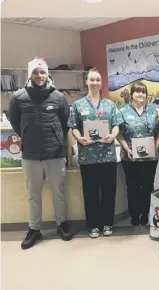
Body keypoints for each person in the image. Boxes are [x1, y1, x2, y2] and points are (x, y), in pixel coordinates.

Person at [8, 57, 72, 249]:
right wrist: (27, 136)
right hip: (31, 155)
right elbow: (15, 123)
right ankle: (34, 229)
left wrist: (56, 139)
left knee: (59, 193)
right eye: (35, 72)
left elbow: (64, 123)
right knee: (33, 195)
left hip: (55, 154)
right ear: (30, 75)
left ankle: (62, 224)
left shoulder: (59, 97)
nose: (39, 76)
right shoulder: (18, 98)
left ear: (47, 75)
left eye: (42, 72)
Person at [67, 68, 123, 238]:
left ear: (101, 82)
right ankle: (93, 225)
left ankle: (107, 224)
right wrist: (80, 138)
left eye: (98, 80)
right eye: (92, 80)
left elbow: (116, 124)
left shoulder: (110, 104)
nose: (95, 83)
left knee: (108, 192)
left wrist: (113, 135)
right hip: (88, 156)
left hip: (107, 155)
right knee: (90, 192)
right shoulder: (78, 105)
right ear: (86, 81)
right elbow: (73, 127)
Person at [117, 81, 159, 226]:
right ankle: (134, 215)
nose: (140, 94)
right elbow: (118, 133)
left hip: (150, 158)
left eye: (143, 92)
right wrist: (127, 149)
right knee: (132, 186)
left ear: (146, 95)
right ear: (132, 95)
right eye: (137, 91)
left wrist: (154, 149)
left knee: (148, 186)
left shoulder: (153, 112)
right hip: (130, 157)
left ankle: (145, 214)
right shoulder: (123, 112)